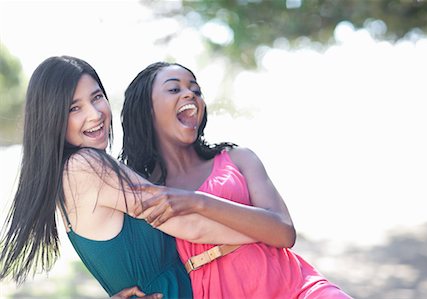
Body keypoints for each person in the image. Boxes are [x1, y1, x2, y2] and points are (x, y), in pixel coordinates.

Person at [0, 56, 255, 299]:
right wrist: (264, 232)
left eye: (97, 97)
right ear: (52, 118)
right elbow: (189, 225)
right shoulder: (85, 166)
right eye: (74, 108)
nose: (95, 114)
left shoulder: (70, 174)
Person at [120, 61, 354, 299]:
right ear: (146, 109)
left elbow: (284, 232)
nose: (190, 93)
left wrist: (199, 201)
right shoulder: (144, 192)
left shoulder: (238, 158)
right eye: (174, 89)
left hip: (298, 288)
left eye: (196, 90)